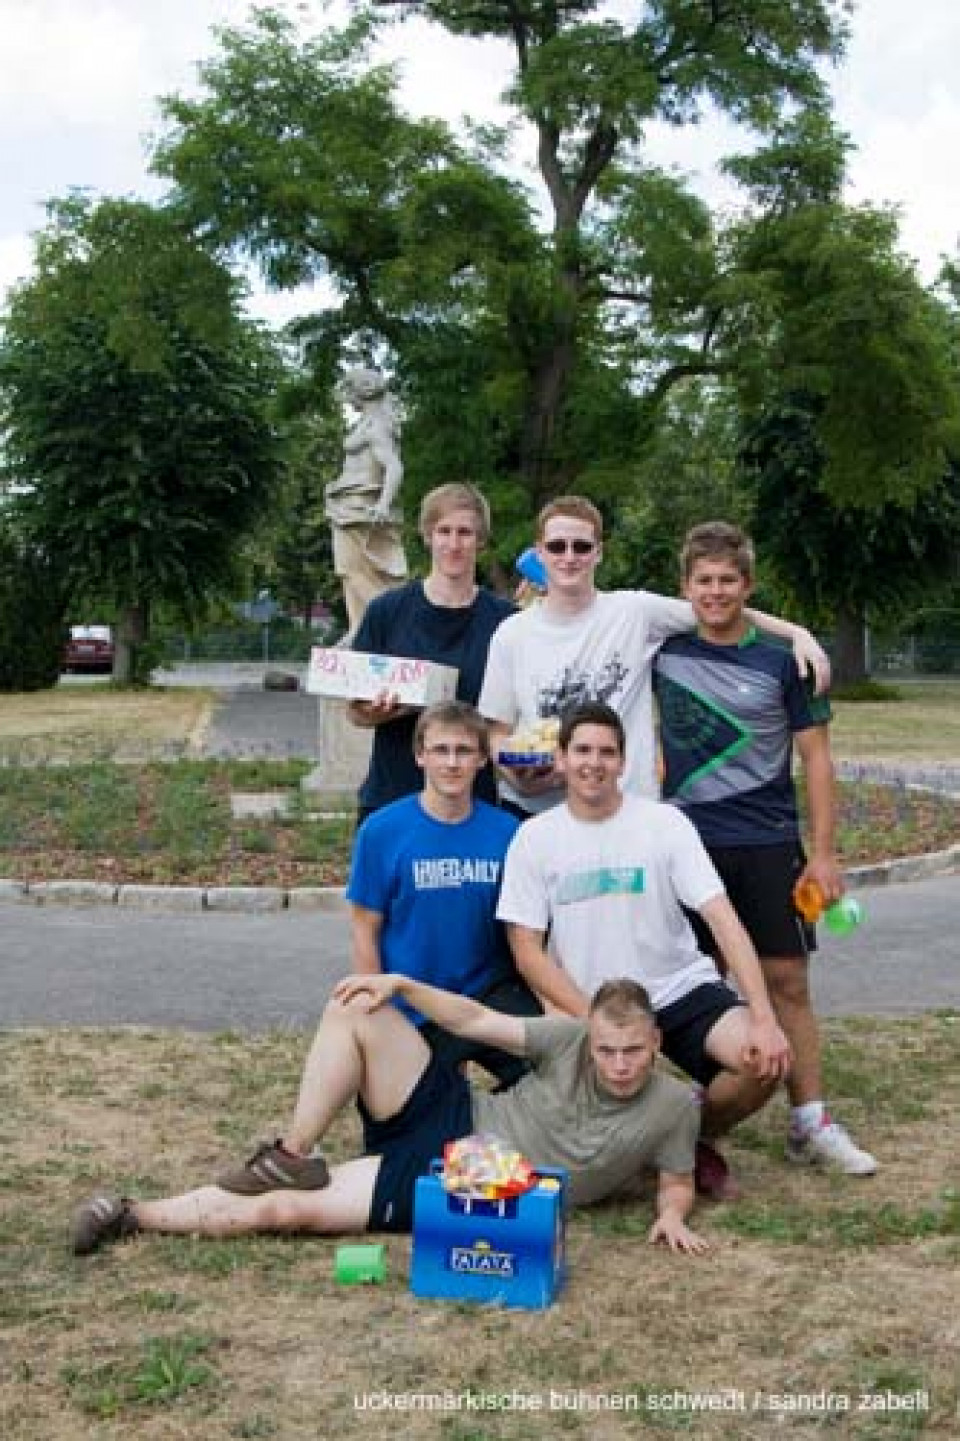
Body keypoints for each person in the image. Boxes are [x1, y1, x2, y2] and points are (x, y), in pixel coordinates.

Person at [72, 972, 710, 1258]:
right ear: (591, 1039)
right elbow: (474, 1021)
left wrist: (672, 1217)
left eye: (633, 1051)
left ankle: (130, 1214)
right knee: (356, 1007)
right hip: (455, 1108)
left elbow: (676, 1179)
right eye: (607, 1050)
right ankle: (293, 1153)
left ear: (656, 1044)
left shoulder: (674, 1105)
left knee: (282, 1214)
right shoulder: (569, 1037)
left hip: (465, 1177)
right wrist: (401, 986)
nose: (619, 1063)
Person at [496, 701, 793, 1199]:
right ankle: (661, 1140)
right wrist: (588, 1019)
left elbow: (723, 919)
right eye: (582, 751)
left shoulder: (665, 824)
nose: (594, 763)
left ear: (623, 761)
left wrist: (763, 1016)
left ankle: (688, 1135)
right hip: (593, 1005)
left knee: (759, 1061)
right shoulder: (533, 838)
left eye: (606, 752)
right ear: (562, 759)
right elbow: (526, 950)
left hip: (677, 988)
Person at [653, 521, 876, 1176]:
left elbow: (817, 758)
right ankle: (705, 1099)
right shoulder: (661, 648)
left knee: (786, 983)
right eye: (704, 581)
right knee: (694, 983)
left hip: (771, 843)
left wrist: (825, 853)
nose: (716, 592)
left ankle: (810, 1120)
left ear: (746, 586)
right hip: (687, 845)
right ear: (686, 586)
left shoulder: (787, 662)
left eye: (728, 581)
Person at [478, 495, 830, 820]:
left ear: (598, 552)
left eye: (581, 546)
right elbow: (497, 733)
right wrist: (525, 779)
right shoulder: (511, 635)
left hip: (627, 812)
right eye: (557, 546)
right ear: (539, 552)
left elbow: (716, 607)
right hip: (539, 814)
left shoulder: (635, 612)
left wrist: (796, 633)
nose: (569, 556)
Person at [347, 699, 539, 1087]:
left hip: (488, 996)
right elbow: (365, 927)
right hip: (414, 1001)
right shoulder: (382, 832)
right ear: (420, 756)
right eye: (440, 750)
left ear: (483, 759)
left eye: (464, 751)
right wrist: (374, 1011)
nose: (452, 763)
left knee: (555, 1074)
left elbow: (525, 933)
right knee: (411, 1127)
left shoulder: (508, 832)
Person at [348, 482, 515, 825]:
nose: (454, 544)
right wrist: (378, 711)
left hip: (472, 805)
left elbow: (511, 721)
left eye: (465, 533)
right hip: (393, 797)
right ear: (427, 536)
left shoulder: (506, 622)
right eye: (444, 531)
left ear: (480, 540)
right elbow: (354, 712)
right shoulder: (387, 612)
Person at [324, 368, 408, 636]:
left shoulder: (376, 426)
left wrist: (384, 503)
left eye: (350, 389)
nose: (347, 397)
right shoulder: (367, 423)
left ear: (366, 389)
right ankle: (359, 630)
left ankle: (393, 621)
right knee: (350, 572)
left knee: (350, 569)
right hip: (348, 506)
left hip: (360, 507)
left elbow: (394, 467)